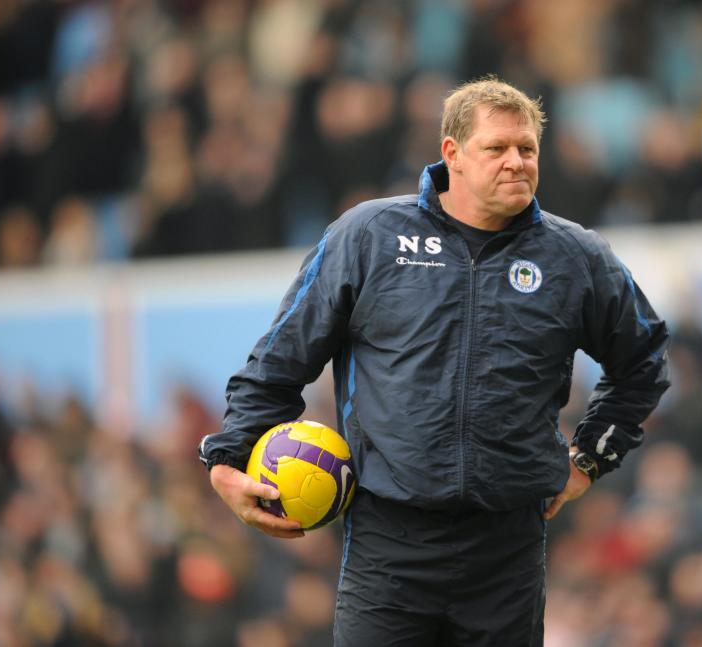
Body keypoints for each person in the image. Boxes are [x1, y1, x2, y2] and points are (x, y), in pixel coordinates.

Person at [198, 77, 670, 646]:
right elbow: (280, 358)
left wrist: (590, 458)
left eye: (527, 149)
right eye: (497, 148)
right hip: (388, 549)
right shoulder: (368, 236)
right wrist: (229, 456)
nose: (516, 162)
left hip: (507, 554)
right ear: (453, 154)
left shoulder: (576, 256)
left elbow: (644, 359)